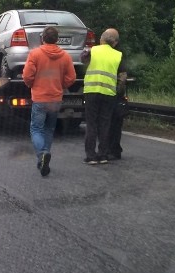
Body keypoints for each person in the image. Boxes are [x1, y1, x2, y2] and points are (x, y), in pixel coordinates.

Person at [22, 26, 76, 176]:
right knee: (49, 129)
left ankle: (42, 154)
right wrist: (60, 85)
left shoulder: (35, 54)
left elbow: (27, 75)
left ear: (42, 38)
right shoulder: (65, 56)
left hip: (39, 98)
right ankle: (44, 156)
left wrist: (31, 84)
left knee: (36, 129)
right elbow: (71, 77)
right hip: (55, 98)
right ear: (57, 39)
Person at [81, 28, 127, 165]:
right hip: (108, 93)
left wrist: (87, 51)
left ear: (101, 39)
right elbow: (123, 77)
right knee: (105, 124)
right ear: (115, 43)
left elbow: (83, 61)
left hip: (91, 91)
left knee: (91, 124)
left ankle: (90, 155)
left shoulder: (92, 50)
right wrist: (118, 91)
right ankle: (103, 154)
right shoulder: (118, 55)